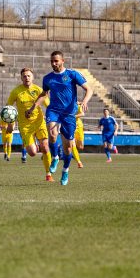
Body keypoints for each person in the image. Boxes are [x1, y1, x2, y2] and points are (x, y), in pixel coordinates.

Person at [29, 51, 93, 186]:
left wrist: (85, 101)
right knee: (52, 135)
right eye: (52, 61)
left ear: (62, 61)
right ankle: (55, 157)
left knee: (68, 148)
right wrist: (33, 107)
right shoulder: (47, 78)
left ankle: (65, 170)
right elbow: (44, 94)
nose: (54, 63)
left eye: (56, 61)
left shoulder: (72, 74)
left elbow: (89, 89)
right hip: (54, 110)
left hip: (69, 114)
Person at [6, 67, 53, 181]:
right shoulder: (16, 92)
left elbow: (49, 106)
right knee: (32, 153)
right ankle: (36, 146)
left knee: (46, 147)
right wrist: (11, 124)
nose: (27, 78)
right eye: (24, 76)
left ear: (32, 77)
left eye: (29, 76)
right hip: (25, 126)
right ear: (21, 78)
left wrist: (53, 119)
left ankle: (48, 174)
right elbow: (9, 109)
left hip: (39, 122)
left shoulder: (38, 90)